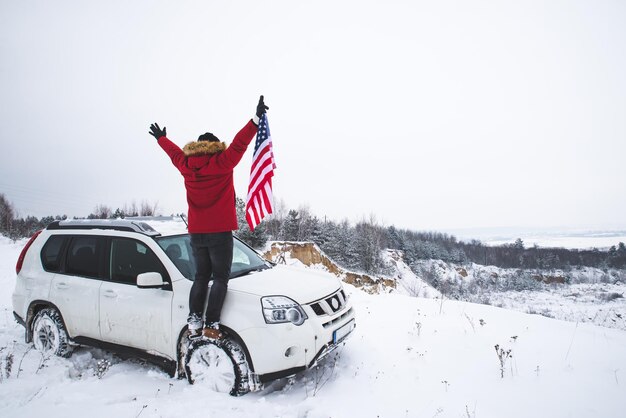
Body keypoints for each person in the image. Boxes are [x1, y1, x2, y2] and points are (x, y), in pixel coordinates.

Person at [149, 96, 269, 339]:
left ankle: (194, 320)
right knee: (220, 278)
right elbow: (239, 143)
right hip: (220, 232)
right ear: (216, 146)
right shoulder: (223, 162)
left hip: (196, 233)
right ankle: (212, 323)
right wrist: (256, 120)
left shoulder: (186, 163)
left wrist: (162, 139)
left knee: (201, 276)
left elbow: (173, 154)